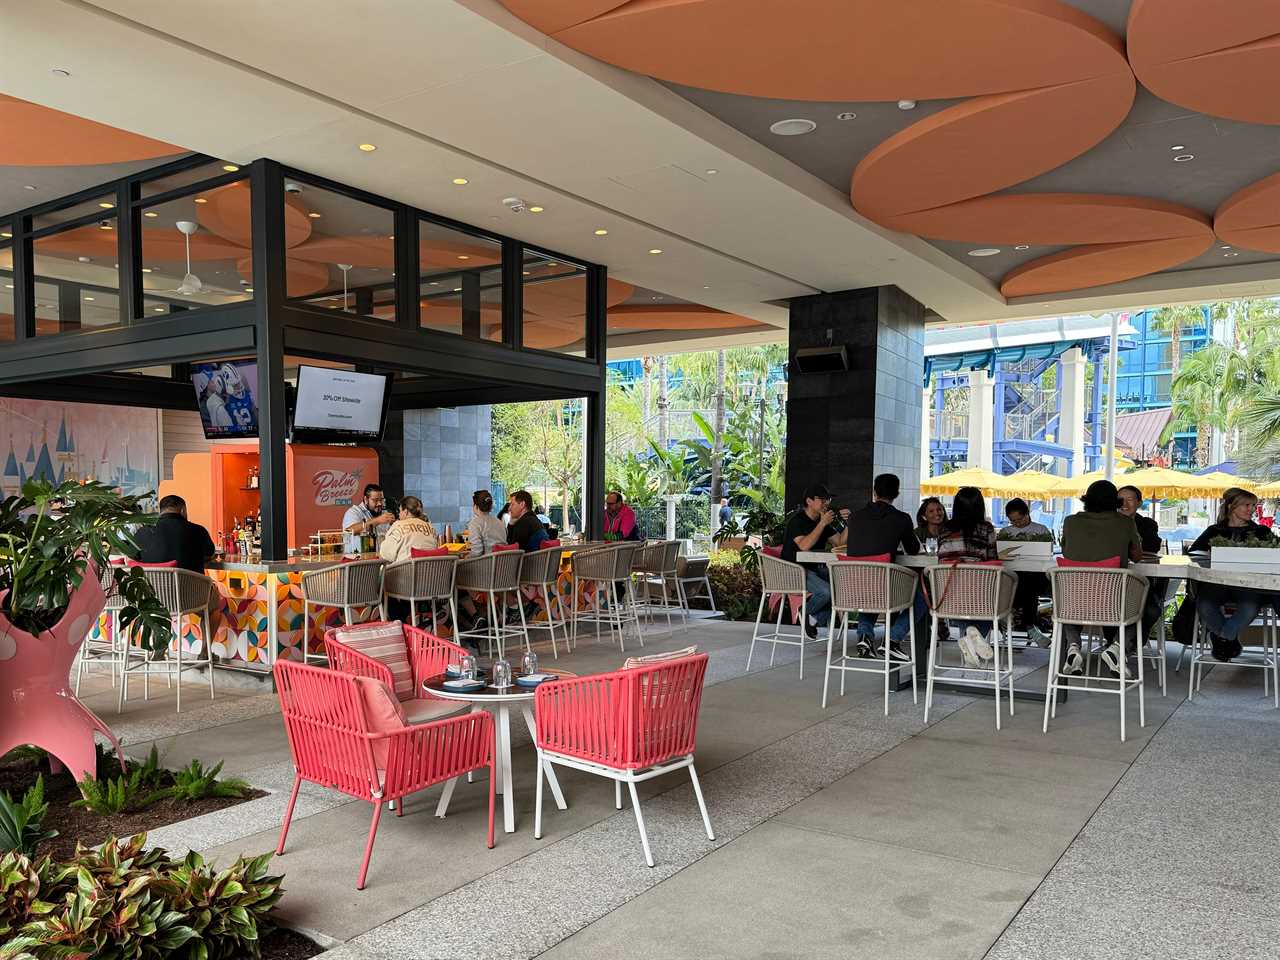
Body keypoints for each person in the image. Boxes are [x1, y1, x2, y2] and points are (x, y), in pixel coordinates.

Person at [1058, 480, 1143, 676]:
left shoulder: (1070, 521)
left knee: (1070, 595)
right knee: (1141, 604)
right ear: (1116, 501)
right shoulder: (1125, 522)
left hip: (1073, 601)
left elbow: (1066, 551)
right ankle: (1116, 648)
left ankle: (1073, 647)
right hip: (1112, 602)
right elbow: (1137, 557)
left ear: (1086, 500)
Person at [842, 473, 923, 661]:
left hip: (851, 588)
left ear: (874, 492)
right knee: (922, 597)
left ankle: (864, 636)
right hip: (884, 587)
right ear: (896, 493)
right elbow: (913, 549)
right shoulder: (901, 518)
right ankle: (893, 640)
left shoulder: (855, 518)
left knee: (870, 583)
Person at [1188, 487, 1274, 662]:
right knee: (1204, 604)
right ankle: (1230, 638)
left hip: (1249, 585)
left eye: (1253, 505)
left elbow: (1275, 556)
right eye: (1247, 505)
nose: (1252, 509)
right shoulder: (1214, 531)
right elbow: (1193, 554)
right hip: (1216, 583)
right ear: (1231, 507)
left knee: (1249, 607)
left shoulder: (1262, 532)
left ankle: (1222, 638)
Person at [781, 483, 849, 639]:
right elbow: (804, 546)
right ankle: (805, 612)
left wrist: (848, 524)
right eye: (822, 499)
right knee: (826, 592)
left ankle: (812, 618)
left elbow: (839, 543)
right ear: (809, 501)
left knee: (841, 589)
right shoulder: (797, 521)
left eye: (828, 499)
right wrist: (822, 523)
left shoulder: (822, 521)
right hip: (793, 570)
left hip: (812, 568)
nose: (826, 503)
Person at [999, 498, 1052, 645]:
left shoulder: (1041, 530)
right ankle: (1030, 626)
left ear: (1027, 514)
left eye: (1020, 520)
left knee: (1028, 583)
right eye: (1013, 521)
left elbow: (1048, 553)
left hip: (1035, 574)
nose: (1018, 524)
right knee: (1023, 585)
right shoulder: (1005, 532)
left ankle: (1012, 616)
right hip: (1013, 574)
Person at [1118, 484, 1166, 645]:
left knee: (1151, 610)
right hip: (1113, 585)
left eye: (1130, 499)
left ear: (1139, 502)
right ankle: (1117, 643)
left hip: (1142, 584)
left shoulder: (1147, 524)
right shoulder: (1108, 524)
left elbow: (1152, 547)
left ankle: (1130, 644)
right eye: (1120, 500)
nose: (1124, 504)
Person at [134, 494, 216, 572]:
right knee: (219, 586)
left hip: (153, 586)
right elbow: (210, 554)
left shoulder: (143, 532)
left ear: (161, 511)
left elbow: (134, 557)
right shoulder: (199, 530)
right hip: (191, 585)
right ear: (183, 510)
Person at [378, 496, 438, 565]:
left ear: (405, 512)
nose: (399, 515)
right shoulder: (430, 527)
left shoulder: (399, 525)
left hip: (406, 573)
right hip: (431, 573)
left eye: (400, 511)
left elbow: (385, 554)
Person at [342, 483, 395, 555]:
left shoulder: (385, 513)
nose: (379, 503)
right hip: (358, 561)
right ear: (366, 499)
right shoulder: (354, 512)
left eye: (381, 500)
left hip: (381, 560)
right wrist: (378, 520)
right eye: (375, 500)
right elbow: (348, 531)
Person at [465, 490, 507, 555]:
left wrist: (466, 558)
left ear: (476, 506)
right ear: (490, 507)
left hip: (487, 563)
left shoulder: (475, 523)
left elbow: (477, 552)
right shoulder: (499, 522)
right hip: (504, 562)